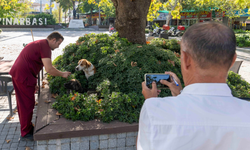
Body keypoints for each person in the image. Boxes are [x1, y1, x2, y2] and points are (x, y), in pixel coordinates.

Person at [137, 22, 250, 150]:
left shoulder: (155, 111)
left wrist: (152, 103)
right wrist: (178, 95)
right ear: (232, 61)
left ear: (185, 59)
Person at [9, 32, 71, 141]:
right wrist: (63, 74)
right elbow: (49, 69)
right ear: (53, 40)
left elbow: (33, 62)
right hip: (23, 76)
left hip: (22, 75)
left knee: (24, 103)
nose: (58, 47)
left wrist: (34, 82)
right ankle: (25, 133)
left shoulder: (40, 44)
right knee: (26, 105)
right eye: (58, 43)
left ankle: (26, 127)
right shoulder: (45, 46)